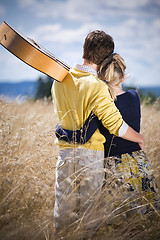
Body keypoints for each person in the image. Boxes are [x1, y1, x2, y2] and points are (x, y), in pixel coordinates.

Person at [51, 31, 145, 236]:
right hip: (90, 155)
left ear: (84, 48)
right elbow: (116, 126)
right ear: (105, 59)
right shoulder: (97, 86)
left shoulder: (59, 79)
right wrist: (139, 137)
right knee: (89, 217)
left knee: (62, 213)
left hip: (65, 154)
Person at [56, 53, 159, 213]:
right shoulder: (134, 96)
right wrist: (139, 137)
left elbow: (82, 136)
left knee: (119, 220)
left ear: (100, 78)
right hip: (138, 162)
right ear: (123, 77)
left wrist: (59, 130)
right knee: (146, 212)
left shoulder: (102, 105)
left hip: (113, 166)